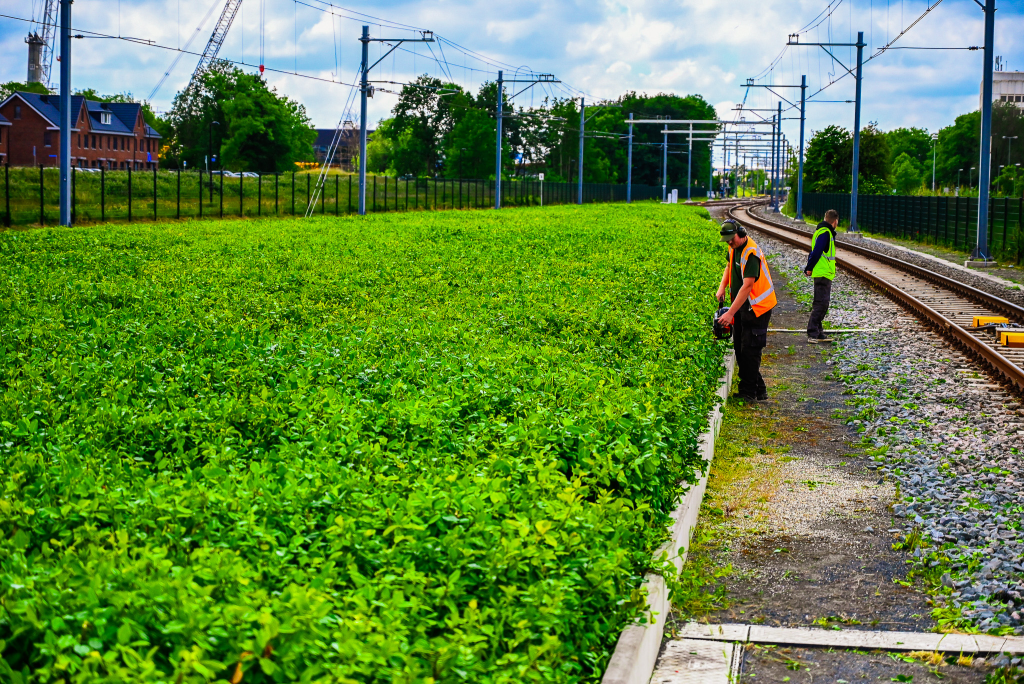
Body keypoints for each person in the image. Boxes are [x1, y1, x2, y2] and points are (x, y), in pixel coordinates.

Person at [715, 219, 778, 401]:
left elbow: (747, 286)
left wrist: (730, 313)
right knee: (740, 348)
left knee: (750, 350)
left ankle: (748, 393)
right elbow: (729, 266)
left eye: (731, 239)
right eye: (726, 240)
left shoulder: (751, 253)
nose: (729, 243)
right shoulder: (733, 247)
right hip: (743, 305)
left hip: (758, 307)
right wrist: (722, 287)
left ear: (741, 233)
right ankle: (759, 389)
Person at [804, 209, 838, 344]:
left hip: (823, 273)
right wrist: (809, 268)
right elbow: (817, 252)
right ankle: (812, 332)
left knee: (821, 303)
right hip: (822, 273)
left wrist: (809, 266)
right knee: (821, 304)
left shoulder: (821, 231)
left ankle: (818, 332)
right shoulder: (825, 233)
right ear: (835, 221)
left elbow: (813, 251)